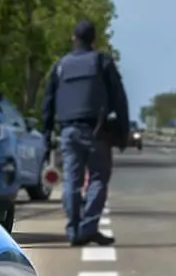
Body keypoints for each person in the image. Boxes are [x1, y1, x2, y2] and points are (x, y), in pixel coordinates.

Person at [40, 19, 129, 247]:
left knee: (72, 180)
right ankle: (87, 228)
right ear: (94, 40)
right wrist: (124, 130)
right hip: (97, 131)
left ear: (73, 38)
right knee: (98, 178)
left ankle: (74, 230)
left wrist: (46, 132)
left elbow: (48, 101)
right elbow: (119, 98)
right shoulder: (102, 62)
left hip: (68, 130)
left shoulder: (61, 66)